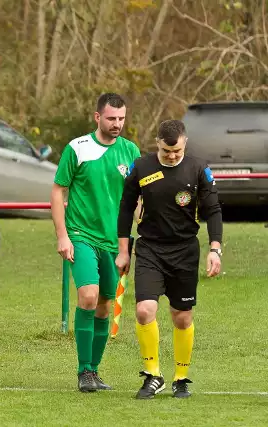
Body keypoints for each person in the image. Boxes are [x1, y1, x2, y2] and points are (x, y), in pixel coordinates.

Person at [116, 119, 222, 399]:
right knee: (143, 310)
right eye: (166, 151)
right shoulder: (142, 167)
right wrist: (124, 250)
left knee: (182, 317)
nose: (172, 156)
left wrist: (215, 248)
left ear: (184, 142)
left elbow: (213, 210)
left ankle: (181, 377)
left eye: (176, 151)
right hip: (150, 249)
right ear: (157, 144)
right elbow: (126, 208)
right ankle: (153, 375)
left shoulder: (199, 169)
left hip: (185, 251)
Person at [51, 93, 141, 392]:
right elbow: (58, 191)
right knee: (88, 297)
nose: (117, 124)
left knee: (104, 306)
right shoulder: (77, 148)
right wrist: (63, 235)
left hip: (115, 242)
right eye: (111, 118)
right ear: (97, 117)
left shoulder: (130, 151)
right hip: (81, 235)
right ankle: (82, 372)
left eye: (121, 119)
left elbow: (137, 199)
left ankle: (93, 370)